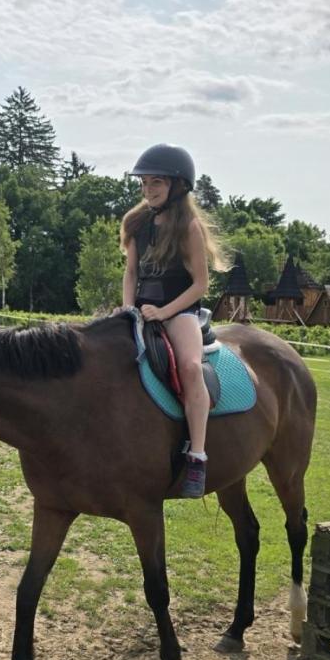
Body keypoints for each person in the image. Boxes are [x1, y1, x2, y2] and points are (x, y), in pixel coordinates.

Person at [121, 144, 228, 499]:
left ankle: (197, 455)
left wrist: (165, 313)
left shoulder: (188, 227)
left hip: (179, 312)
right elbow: (131, 272)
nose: (148, 190)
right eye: (145, 183)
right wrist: (127, 309)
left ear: (177, 186)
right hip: (140, 309)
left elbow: (200, 284)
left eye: (157, 183)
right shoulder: (136, 223)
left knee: (190, 366)